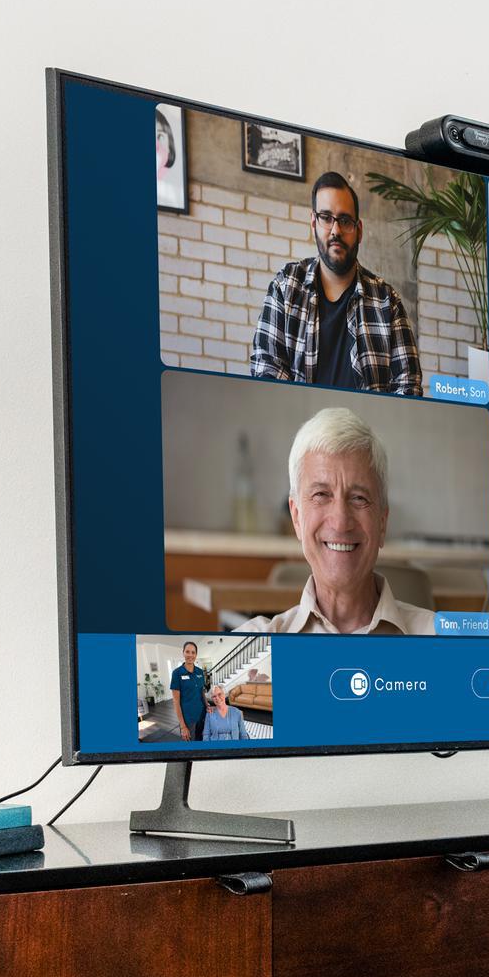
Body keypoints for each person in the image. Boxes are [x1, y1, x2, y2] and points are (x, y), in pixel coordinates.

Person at [243, 406, 437, 635]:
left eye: (359, 498)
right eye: (321, 495)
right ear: (296, 517)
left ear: (382, 522)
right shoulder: (254, 649)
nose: (341, 521)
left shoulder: (445, 641)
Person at [247, 172, 426, 397]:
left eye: (344, 220)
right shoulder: (286, 287)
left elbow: (408, 386)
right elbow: (266, 371)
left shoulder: (386, 301)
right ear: (314, 222)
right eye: (326, 217)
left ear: (358, 230)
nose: (335, 230)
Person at [168, 641, 209, 740]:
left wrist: (207, 704)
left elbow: (202, 691)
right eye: (187, 652)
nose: (190, 655)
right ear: (183, 653)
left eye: (193, 652)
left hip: (202, 714)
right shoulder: (177, 673)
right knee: (190, 743)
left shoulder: (199, 672)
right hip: (188, 718)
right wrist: (182, 726)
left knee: (201, 739)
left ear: (196, 654)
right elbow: (176, 701)